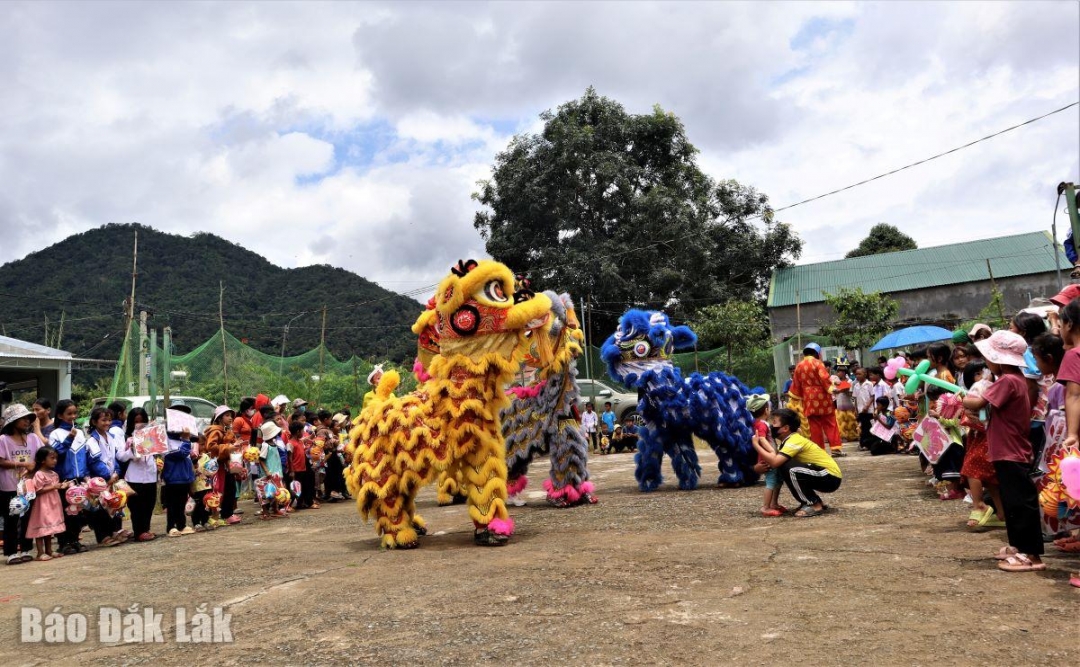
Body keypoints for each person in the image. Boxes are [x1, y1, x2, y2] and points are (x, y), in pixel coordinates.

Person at [963, 330, 1043, 572]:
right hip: (1007, 448)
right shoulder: (1014, 380)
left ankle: (1033, 555)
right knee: (1012, 501)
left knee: (1020, 502)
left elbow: (978, 403)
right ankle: (1018, 546)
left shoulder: (1008, 381)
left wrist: (961, 399)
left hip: (1010, 449)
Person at [50, 399, 111, 555]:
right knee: (67, 513)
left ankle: (75, 540)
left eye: (75, 413)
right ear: (60, 415)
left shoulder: (80, 433)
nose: (73, 416)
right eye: (69, 413)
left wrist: (86, 477)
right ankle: (64, 543)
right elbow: (55, 455)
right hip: (65, 481)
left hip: (80, 481)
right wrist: (69, 438)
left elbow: (83, 457)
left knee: (79, 513)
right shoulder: (55, 434)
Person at [757, 408, 842, 517]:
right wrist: (757, 468)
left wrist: (756, 444)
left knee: (791, 469)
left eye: (774, 423)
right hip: (822, 474)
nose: (771, 426)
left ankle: (813, 504)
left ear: (785, 428)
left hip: (830, 476)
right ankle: (814, 501)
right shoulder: (787, 442)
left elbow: (774, 462)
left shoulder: (794, 440)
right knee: (785, 467)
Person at [957, 361, 1003, 530]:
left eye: (984, 371)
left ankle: (979, 505)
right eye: (977, 373)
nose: (982, 375)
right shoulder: (975, 392)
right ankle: (1001, 513)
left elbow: (983, 417)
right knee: (990, 479)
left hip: (988, 436)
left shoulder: (993, 390)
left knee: (972, 467)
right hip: (979, 436)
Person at [1, 404, 44, 564]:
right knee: (11, 519)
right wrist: (24, 465)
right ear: (13, 422)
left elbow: (41, 456)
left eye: (28, 418)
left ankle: (26, 549)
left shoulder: (33, 438)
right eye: (22, 419)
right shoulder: (3, 440)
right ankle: (11, 552)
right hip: (9, 485)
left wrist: (34, 468)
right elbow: (1, 461)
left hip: (28, 486)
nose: (27, 421)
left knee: (27, 518)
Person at [791, 342, 843, 456]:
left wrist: (798, 396)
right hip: (822, 398)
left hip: (808, 399)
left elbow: (796, 383)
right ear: (817, 353)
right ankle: (835, 449)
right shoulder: (818, 363)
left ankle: (820, 451)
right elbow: (824, 378)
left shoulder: (799, 365)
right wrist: (833, 388)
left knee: (814, 426)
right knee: (830, 422)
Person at [87, 407, 128, 546]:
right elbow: (94, 461)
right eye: (103, 420)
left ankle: (113, 532)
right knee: (100, 509)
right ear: (94, 421)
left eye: (109, 420)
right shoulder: (92, 440)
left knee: (113, 506)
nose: (107, 423)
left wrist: (116, 472)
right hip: (100, 481)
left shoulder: (111, 437)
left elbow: (115, 457)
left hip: (112, 478)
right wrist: (107, 476)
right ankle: (102, 536)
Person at [116, 408, 158, 541]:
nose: (139, 425)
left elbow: (159, 451)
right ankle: (139, 531)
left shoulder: (152, 435)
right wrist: (132, 451)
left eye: (142, 421)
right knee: (137, 507)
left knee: (149, 504)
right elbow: (120, 456)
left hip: (150, 475)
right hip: (134, 477)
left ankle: (145, 529)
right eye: (136, 422)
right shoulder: (127, 438)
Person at [24, 446, 69, 561]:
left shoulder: (54, 474)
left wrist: (62, 486)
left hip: (53, 503)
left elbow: (55, 487)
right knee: (41, 528)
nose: (55, 460)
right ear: (43, 460)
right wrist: (53, 486)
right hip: (42, 504)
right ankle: (40, 552)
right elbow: (37, 490)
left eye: (56, 458)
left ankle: (49, 550)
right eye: (52, 458)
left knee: (48, 529)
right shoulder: (39, 474)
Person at [747, 395, 786, 517]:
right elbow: (762, 439)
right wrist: (771, 452)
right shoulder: (762, 424)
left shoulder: (759, 423)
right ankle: (766, 507)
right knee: (771, 481)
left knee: (777, 480)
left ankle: (774, 503)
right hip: (768, 458)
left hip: (769, 457)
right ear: (766, 410)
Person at [204, 405, 240, 526]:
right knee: (219, 489)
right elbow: (210, 446)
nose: (230, 418)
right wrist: (227, 448)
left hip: (226, 464)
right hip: (217, 465)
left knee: (230, 488)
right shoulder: (215, 431)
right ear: (219, 418)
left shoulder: (227, 431)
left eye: (231, 416)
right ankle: (217, 515)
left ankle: (227, 514)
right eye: (227, 415)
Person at [161, 419, 195, 537]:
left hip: (184, 477)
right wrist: (186, 439)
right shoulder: (165, 441)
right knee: (172, 504)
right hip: (173, 477)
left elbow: (187, 456)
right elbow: (180, 453)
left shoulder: (181, 439)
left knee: (181, 503)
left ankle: (182, 524)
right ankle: (171, 526)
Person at [854, 368, 875, 451]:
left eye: (859, 374)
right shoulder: (856, 385)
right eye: (856, 374)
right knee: (862, 427)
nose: (857, 376)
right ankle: (863, 443)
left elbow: (872, 396)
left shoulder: (869, 384)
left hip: (868, 410)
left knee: (868, 427)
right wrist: (855, 409)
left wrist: (867, 406)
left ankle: (868, 444)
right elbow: (855, 398)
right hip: (860, 409)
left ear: (865, 374)